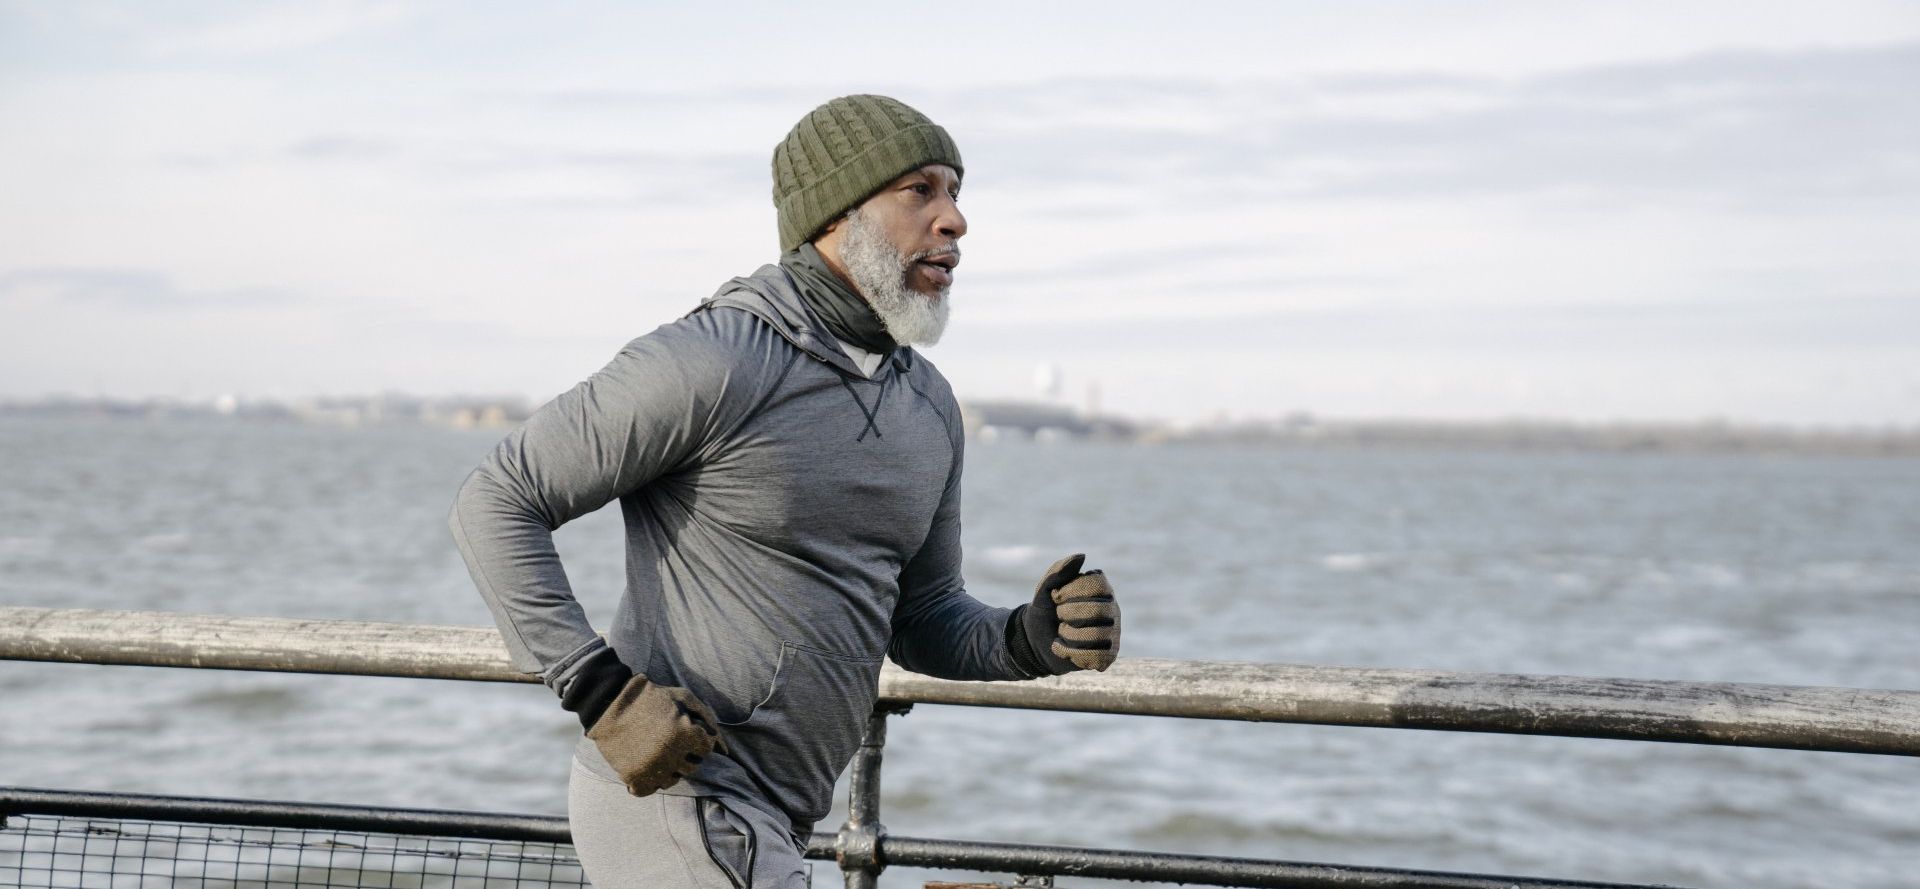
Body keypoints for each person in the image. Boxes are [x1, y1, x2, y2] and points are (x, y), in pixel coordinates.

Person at [448, 94, 1122, 889]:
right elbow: (496, 500)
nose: (955, 221)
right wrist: (598, 690)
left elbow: (921, 614)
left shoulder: (930, 405)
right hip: (676, 800)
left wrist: (1027, 640)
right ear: (835, 214)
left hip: (781, 822)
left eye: (956, 192)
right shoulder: (716, 358)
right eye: (921, 191)